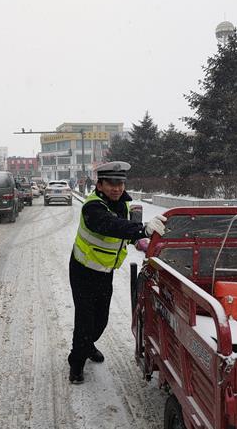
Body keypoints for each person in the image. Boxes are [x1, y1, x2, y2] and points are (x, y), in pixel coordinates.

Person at [67, 161, 167, 384]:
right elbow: (110, 226)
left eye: (120, 183)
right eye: (111, 184)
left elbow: (125, 232)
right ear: (99, 185)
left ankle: (87, 344)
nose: (117, 188)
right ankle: (76, 363)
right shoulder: (92, 207)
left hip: (105, 272)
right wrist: (142, 228)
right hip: (83, 271)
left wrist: (141, 240)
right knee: (85, 319)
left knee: (100, 320)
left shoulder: (123, 205)